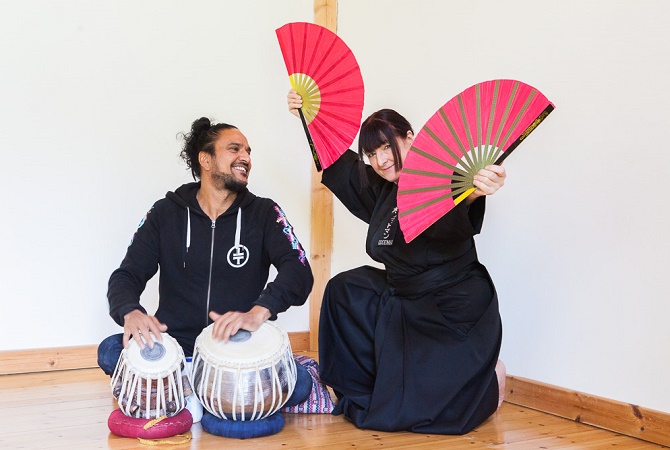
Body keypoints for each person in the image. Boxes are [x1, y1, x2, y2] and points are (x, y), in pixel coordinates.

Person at [288, 90, 506, 434]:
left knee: (420, 415)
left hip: (451, 309)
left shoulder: (443, 178)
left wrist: (478, 189)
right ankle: (361, 383)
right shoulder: (382, 189)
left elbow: (459, 200)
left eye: (388, 146)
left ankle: (487, 379)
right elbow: (340, 164)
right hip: (405, 298)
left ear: (411, 138)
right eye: (372, 153)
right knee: (346, 289)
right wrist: (308, 116)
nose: (381, 160)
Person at [98, 118, 314, 408]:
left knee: (299, 384)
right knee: (110, 351)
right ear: (206, 159)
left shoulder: (264, 213)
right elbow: (127, 274)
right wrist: (131, 311)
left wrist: (257, 313)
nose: (246, 158)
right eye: (235, 149)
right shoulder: (166, 213)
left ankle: (183, 393)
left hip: (237, 349)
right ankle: (208, 393)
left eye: (249, 152)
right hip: (175, 346)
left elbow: (298, 270)